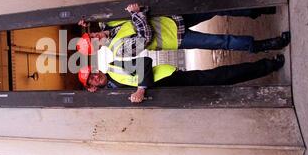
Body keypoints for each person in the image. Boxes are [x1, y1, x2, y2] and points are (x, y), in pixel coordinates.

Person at [76, 4, 290, 57]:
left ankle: (258, 9)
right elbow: (145, 37)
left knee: (216, 8)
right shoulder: (118, 50)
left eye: (91, 35)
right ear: (98, 48)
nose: (95, 36)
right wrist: (136, 14)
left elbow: (98, 15)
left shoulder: (108, 24)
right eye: (93, 41)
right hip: (178, 37)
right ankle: (265, 45)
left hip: (175, 18)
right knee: (222, 41)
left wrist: (86, 19)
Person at [78, 54, 286, 103]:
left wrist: (141, 89)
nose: (96, 76)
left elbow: (145, 62)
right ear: (91, 87)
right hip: (168, 102)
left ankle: (268, 65)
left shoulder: (115, 67)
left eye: (93, 73)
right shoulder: (107, 98)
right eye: (92, 80)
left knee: (218, 77)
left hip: (171, 81)